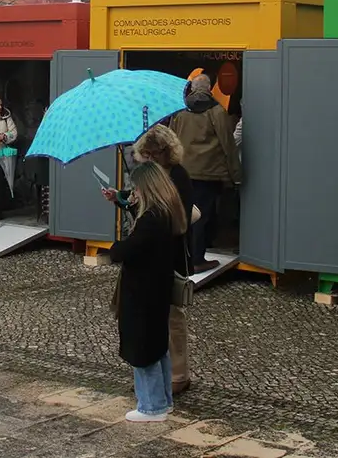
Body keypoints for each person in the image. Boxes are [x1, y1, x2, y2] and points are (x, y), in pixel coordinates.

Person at [102, 125, 195, 395]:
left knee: (171, 317)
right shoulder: (152, 177)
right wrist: (121, 199)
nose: (143, 160)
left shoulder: (178, 176)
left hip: (167, 257)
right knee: (149, 322)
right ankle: (154, 381)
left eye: (147, 155)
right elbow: (141, 207)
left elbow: (173, 218)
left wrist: (132, 241)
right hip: (148, 256)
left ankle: (177, 374)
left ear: (159, 154)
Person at [109, 161, 187, 422]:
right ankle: (163, 402)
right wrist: (123, 202)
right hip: (158, 289)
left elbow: (127, 250)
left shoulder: (151, 220)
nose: (135, 193)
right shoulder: (167, 212)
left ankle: (151, 407)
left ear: (147, 188)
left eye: (137, 189)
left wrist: (115, 246)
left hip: (143, 292)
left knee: (142, 348)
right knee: (157, 346)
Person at [169, 74, 242, 273]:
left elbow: (171, 140)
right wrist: (236, 175)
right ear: (209, 89)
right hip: (208, 174)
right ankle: (198, 259)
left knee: (184, 215)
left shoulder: (180, 110)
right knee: (202, 216)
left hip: (183, 172)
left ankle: (183, 256)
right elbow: (228, 144)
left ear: (192, 89)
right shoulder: (217, 111)